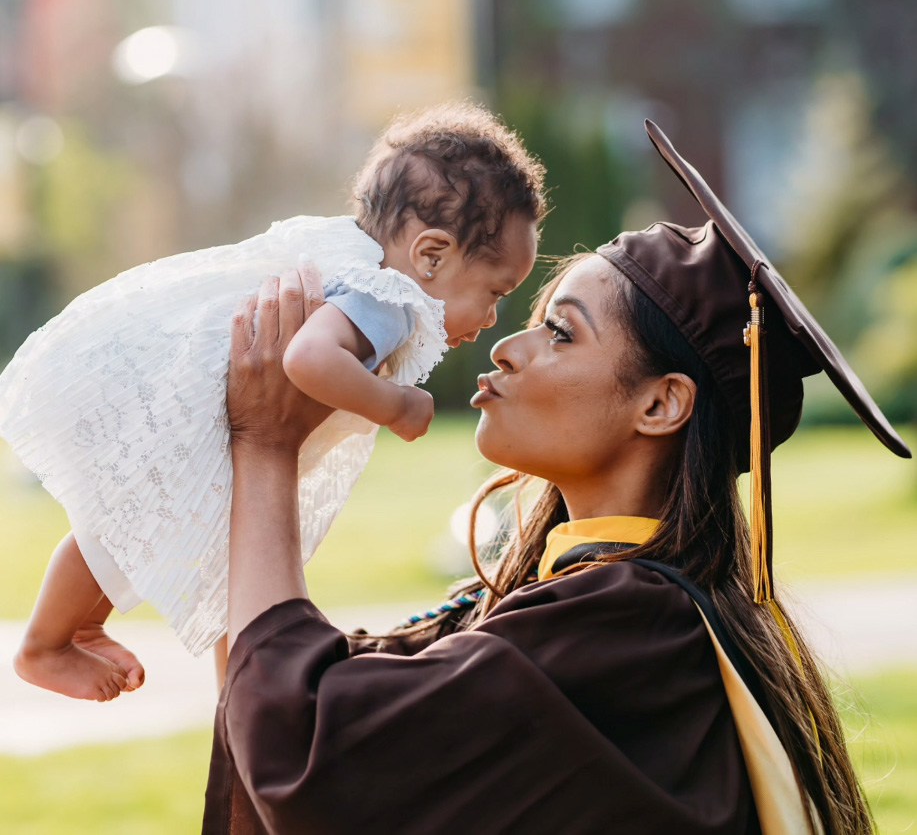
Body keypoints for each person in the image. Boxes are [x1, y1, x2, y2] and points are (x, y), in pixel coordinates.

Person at [202, 120, 910, 835]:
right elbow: (280, 698)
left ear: (660, 403)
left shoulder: (633, 624)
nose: (507, 347)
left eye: (560, 332)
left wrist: (264, 445)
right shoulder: (583, 602)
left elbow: (309, 747)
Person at [0, 103, 545, 703]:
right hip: (209, 417)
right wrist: (395, 404)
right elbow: (308, 360)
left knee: (170, 538)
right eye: (494, 291)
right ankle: (48, 643)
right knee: (125, 526)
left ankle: (173, 669)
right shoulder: (384, 299)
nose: (493, 318)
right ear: (432, 254)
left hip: (205, 410)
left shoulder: (359, 269)